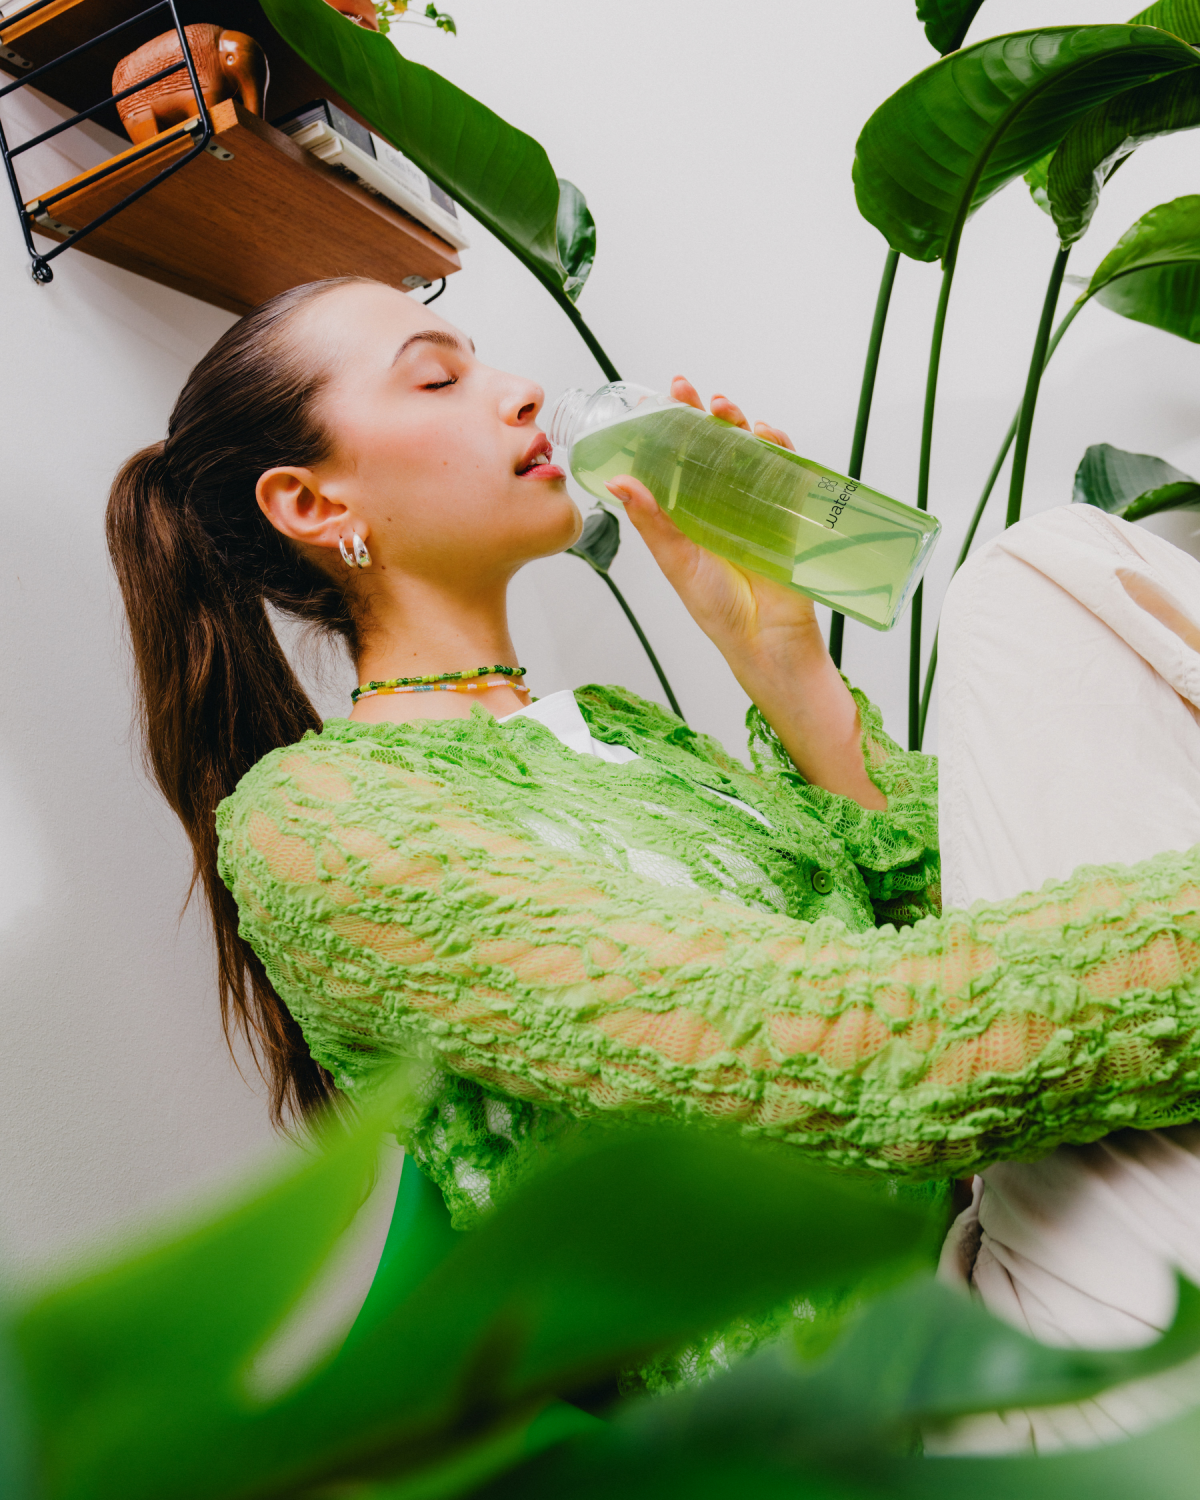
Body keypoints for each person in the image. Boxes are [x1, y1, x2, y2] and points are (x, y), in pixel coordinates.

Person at [107, 276, 1200, 1400]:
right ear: (310, 503)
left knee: (1048, 576)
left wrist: (789, 671)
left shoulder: (623, 738)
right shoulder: (323, 827)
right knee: (1032, 575)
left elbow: (970, 912)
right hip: (889, 1406)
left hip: (1002, 1256)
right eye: (438, 375)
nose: (522, 391)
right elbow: (867, 1055)